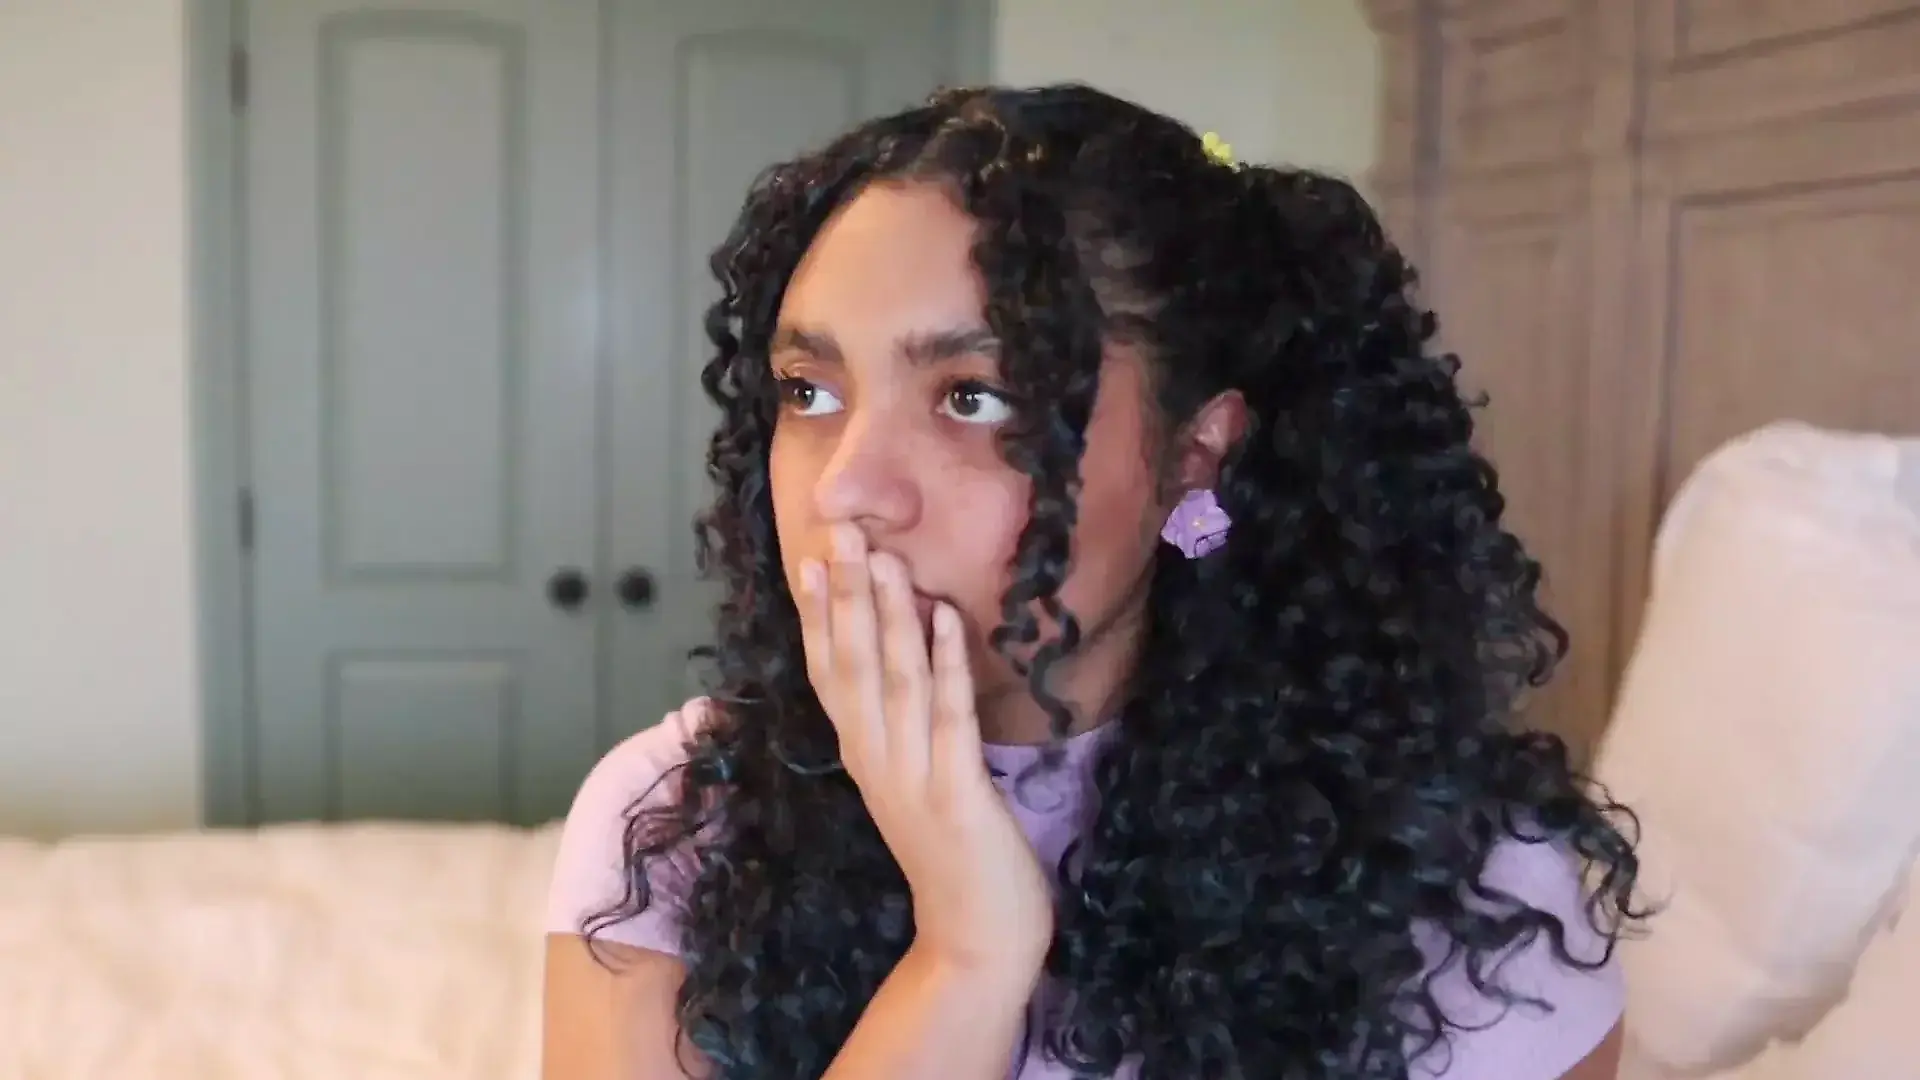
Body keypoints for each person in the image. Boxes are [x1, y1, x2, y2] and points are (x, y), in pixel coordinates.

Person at [541, 83, 1646, 1080]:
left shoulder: (1472, 889)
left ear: (1193, 453)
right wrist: (967, 953)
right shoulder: (678, 822)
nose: (845, 490)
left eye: (973, 397)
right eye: (809, 391)